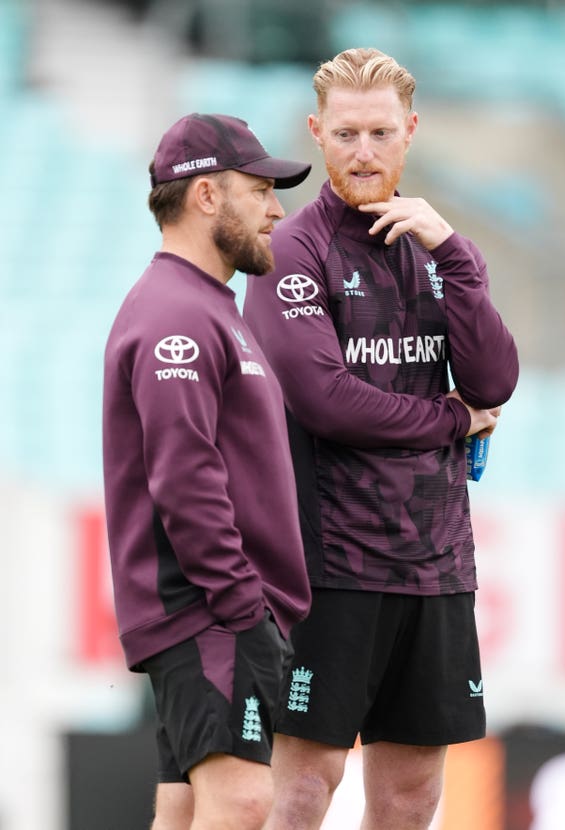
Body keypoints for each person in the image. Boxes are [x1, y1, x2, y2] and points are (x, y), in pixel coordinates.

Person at [243, 48, 519, 829]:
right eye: (346, 133)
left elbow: (494, 378)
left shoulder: (441, 251)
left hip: (436, 564)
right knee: (303, 787)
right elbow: (327, 401)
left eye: (380, 133)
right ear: (316, 133)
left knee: (410, 797)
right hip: (327, 564)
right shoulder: (290, 251)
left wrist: (455, 255)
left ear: (411, 133)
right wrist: (452, 421)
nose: (363, 151)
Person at [102, 113, 313, 830]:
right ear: (207, 197)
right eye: (260, 191)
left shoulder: (201, 308)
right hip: (208, 611)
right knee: (242, 802)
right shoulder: (177, 317)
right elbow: (184, 476)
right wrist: (241, 605)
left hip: (210, 612)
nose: (277, 209)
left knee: (188, 808)